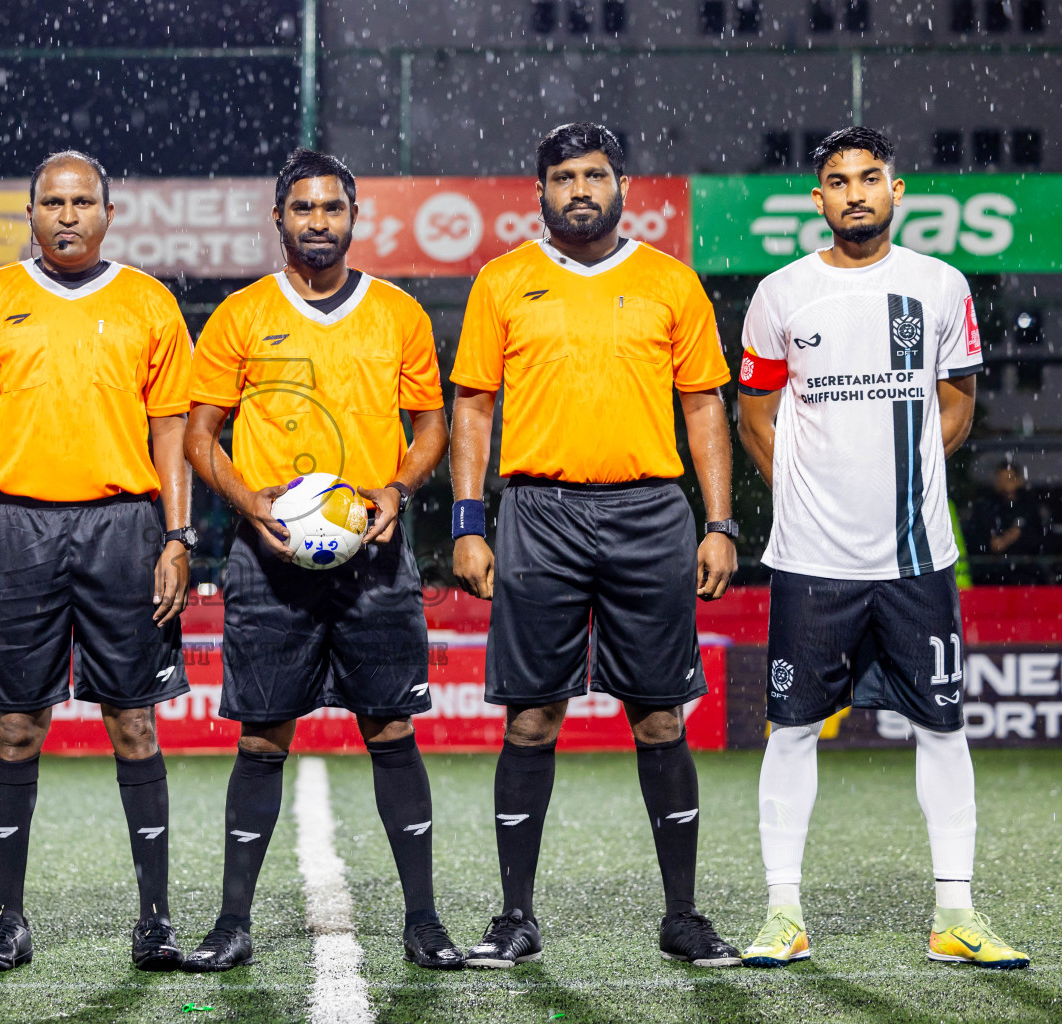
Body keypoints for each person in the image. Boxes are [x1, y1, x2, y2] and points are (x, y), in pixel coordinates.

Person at [735, 126, 1028, 969]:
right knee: (790, 729)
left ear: (896, 191)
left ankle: (956, 917)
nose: (855, 191)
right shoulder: (780, 294)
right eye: (838, 180)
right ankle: (782, 914)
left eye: (870, 178)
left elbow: (958, 405)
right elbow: (755, 412)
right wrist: (802, 491)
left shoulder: (939, 285)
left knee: (942, 727)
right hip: (811, 560)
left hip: (914, 556)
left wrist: (902, 476)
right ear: (816, 199)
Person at [450, 122, 741, 969]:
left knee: (659, 716)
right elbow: (473, 406)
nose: (580, 189)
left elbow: (704, 410)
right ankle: (514, 917)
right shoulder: (503, 281)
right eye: (564, 177)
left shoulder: (669, 282)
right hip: (537, 513)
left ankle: (683, 916)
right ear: (539, 192)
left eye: (595, 175)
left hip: (651, 513)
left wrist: (719, 523)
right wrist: (469, 522)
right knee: (532, 715)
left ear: (623, 185)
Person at [181, 148, 463, 972]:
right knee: (262, 737)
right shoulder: (238, 314)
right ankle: (233, 923)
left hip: (373, 560)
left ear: (353, 217)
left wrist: (397, 489)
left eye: (331, 209)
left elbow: (432, 427)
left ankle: (424, 920)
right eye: (301, 209)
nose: (317, 222)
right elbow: (200, 436)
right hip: (267, 560)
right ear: (278, 219)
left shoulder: (399, 314)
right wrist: (248, 502)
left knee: (392, 728)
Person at [0, 150, 195, 973]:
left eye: (83, 201)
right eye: (52, 201)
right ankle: (6, 920)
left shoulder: (149, 303)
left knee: (132, 721)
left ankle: (154, 919)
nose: (68, 214)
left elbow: (173, 435)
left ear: (109, 214)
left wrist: (176, 538)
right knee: (19, 726)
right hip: (16, 530)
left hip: (124, 526)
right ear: (30, 213)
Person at [968, 463, 1046, 584]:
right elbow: (975, 540)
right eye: (1001, 480)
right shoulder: (985, 508)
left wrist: (1014, 538)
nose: (1005, 485)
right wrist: (991, 544)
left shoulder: (1030, 509)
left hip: (1025, 576)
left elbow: (1040, 542)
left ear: (1019, 481)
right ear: (995, 482)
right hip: (991, 577)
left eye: (1010, 479)